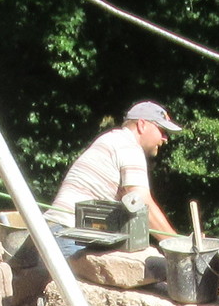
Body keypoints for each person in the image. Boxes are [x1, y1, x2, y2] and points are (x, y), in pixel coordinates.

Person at [52, 100, 182, 238]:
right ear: (142, 125)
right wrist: (176, 243)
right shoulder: (128, 146)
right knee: (150, 254)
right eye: (162, 131)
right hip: (69, 232)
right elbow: (139, 200)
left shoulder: (112, 139)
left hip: (53, 230)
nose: (165, 139)